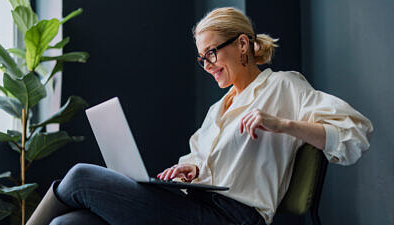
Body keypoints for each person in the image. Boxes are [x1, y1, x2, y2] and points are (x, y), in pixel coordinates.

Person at [26, 7, 373, 225]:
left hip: (233, 216)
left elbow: (354, 134)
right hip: (196, 205)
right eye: (201, 59)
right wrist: (190, 169)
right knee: (68, 223)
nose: (207, 66)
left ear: (241, 44)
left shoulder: (283, 87)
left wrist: (282, 124)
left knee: (80, 178)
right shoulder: (217, 109)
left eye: (211, 54)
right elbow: (201, 160)